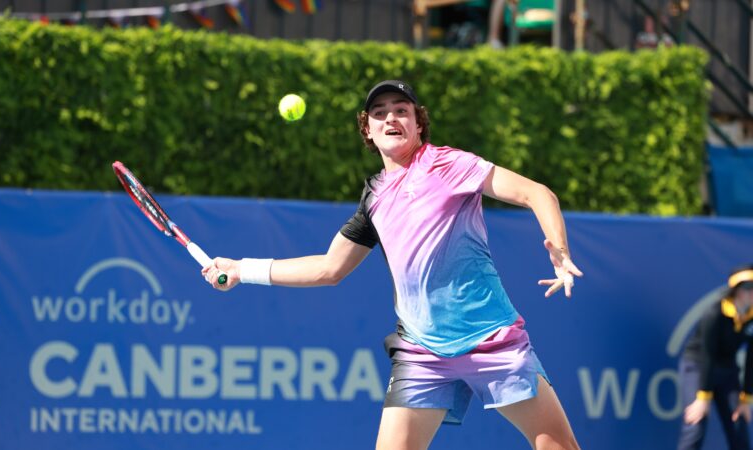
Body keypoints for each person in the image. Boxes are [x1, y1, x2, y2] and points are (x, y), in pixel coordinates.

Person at [202, 79, 583, 450]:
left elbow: (537, 192)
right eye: (379, 113)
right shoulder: (375, 197)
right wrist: (242, 269)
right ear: (367, 129)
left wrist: (560, 250)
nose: (390, 119)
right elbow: (329, 268)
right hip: (422, 352)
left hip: (491, 340)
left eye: (401, 111)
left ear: (419, 123)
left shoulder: (449, 164)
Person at [678, 265, 753, 450]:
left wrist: (746, 399)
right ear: (736, 290)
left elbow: (752, 359)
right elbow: (707, 354)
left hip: (727, 371)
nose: (752, 293)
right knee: (695, 426)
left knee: (738, 426)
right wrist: (703, 397)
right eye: (748, 287)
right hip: (698, 366)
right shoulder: (714, 314)